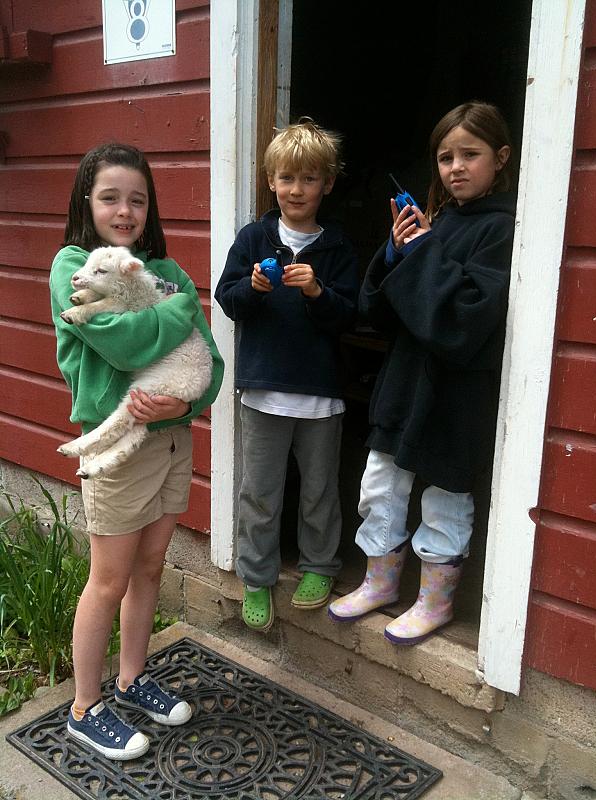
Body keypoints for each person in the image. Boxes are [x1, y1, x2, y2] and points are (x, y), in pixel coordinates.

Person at [49, 142, 224, 760]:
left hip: (172, 438)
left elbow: (214, 362)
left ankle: (131, 677)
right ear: (86, 202)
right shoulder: (75, 265)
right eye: (110, 198)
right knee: (109, 578)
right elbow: (123, 343)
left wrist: (187, 405)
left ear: (150, 208)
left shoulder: (166, 270)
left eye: (137, 200)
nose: (125, 211)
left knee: (150, 568)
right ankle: (83, 707)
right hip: (120, 446)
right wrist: (180, 310)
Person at [328, 101, 515, 645]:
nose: (455, 167)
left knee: (444, 496)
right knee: (380, 484)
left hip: (456, 392)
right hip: (405, 383)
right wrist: (392, 252)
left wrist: (426, 250)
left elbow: (464, 319)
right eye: (444, 157)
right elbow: (378, 313)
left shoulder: (504, 232)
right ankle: (380, 583)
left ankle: (435, 601)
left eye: (470, 155)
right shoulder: (437, 226)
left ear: (500, 158)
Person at [215, 119, 359, 632]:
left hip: (320, 394)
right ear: (270, 182)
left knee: (321, 489)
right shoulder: (254, 238)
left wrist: (318, 292)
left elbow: (350, 315)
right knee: (260, 491)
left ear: (328, 184)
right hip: (262, 391)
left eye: (309, 179)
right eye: (287, 179)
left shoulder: (337, 247)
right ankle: (258, 577)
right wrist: (253, 287)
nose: (297, 190)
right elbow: (227, 301)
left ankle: (320, 567)